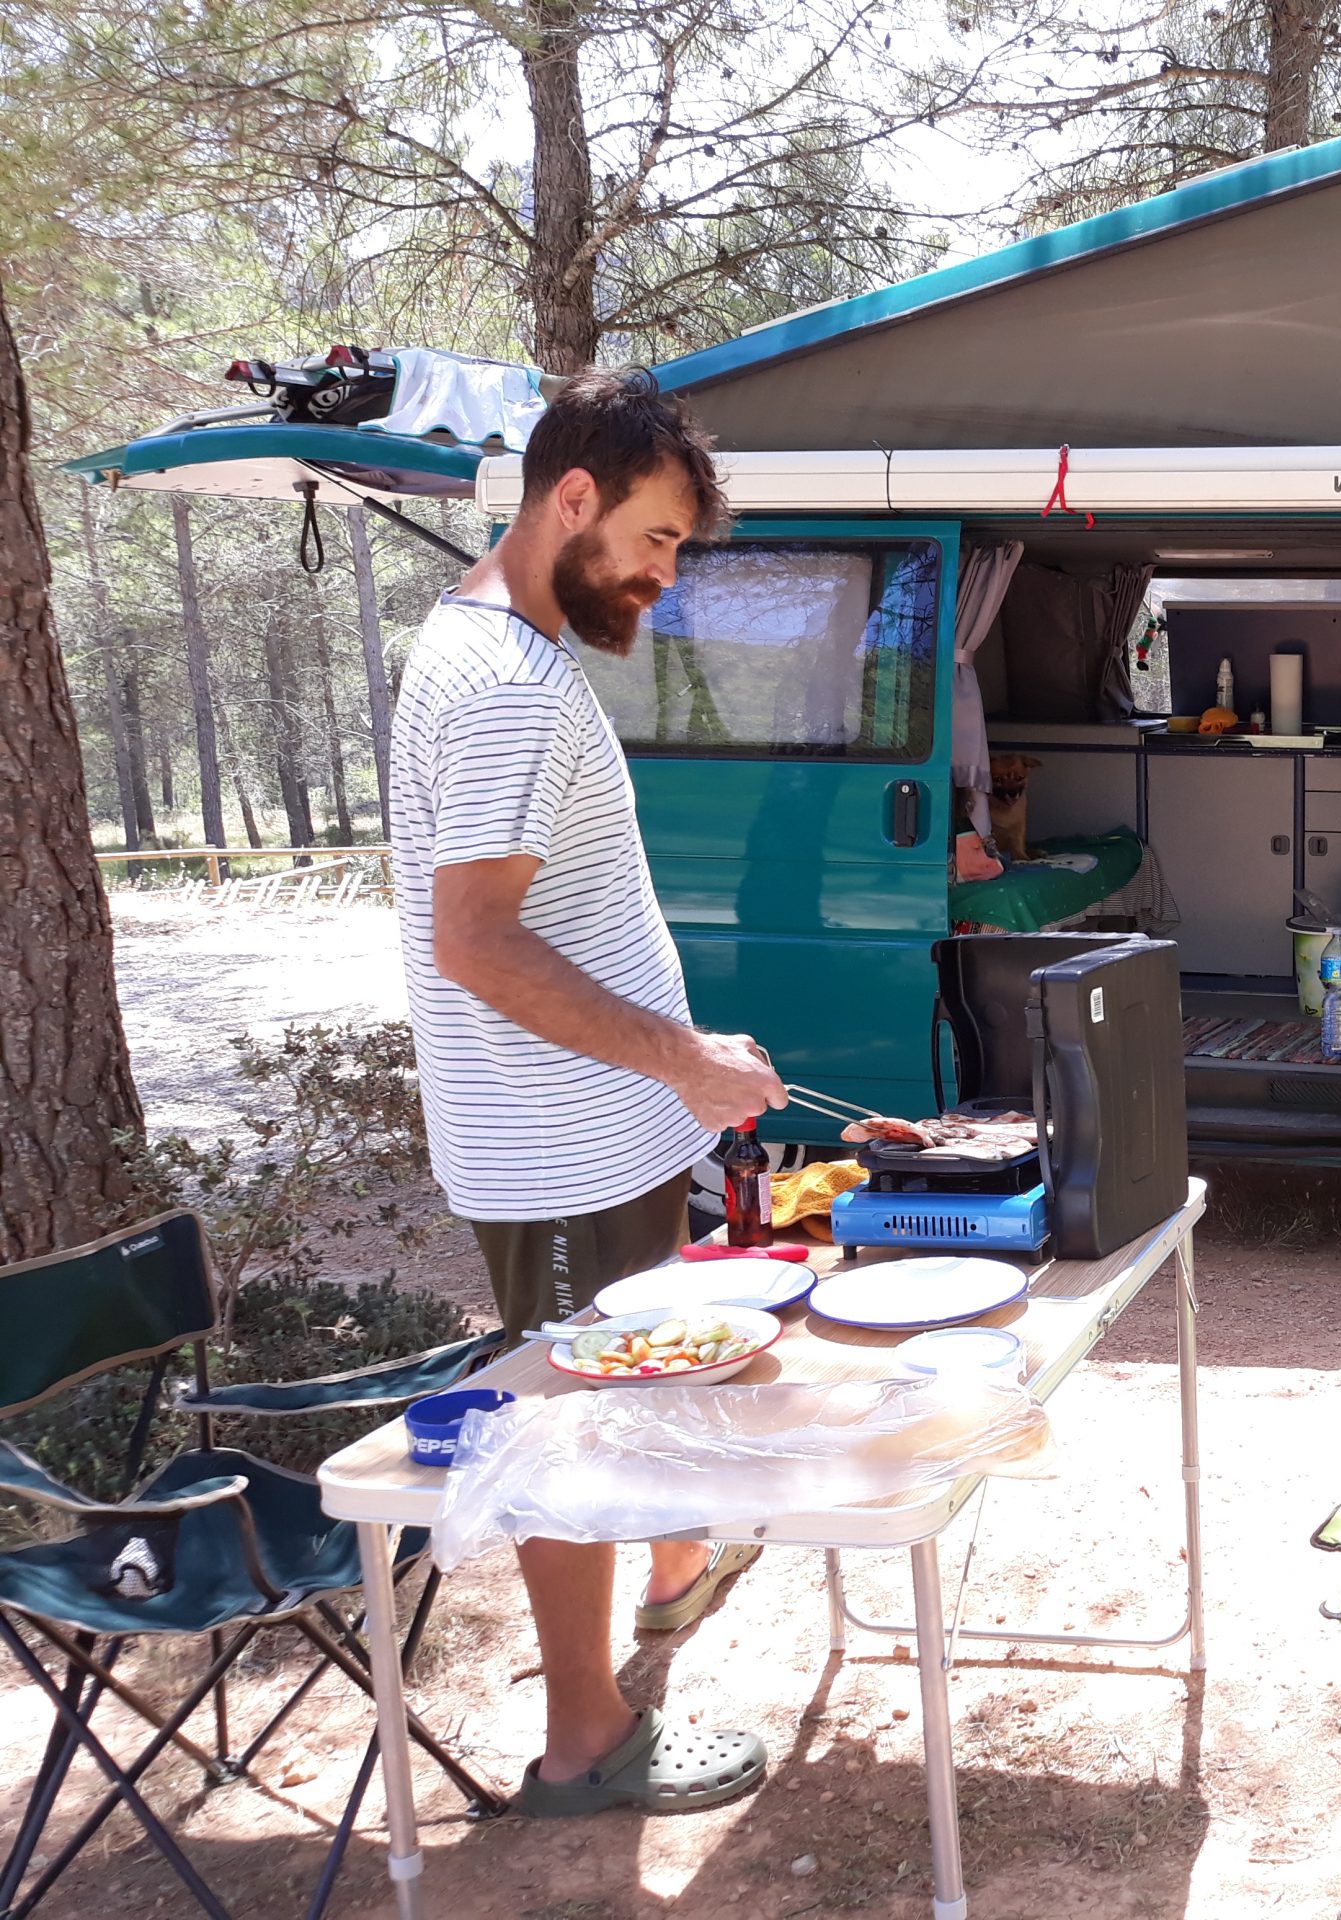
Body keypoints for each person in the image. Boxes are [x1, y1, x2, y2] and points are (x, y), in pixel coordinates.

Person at [386, 367, 785, 1817]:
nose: (666, 577)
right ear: (573, 498)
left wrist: (678, 1063)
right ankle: (582, 1743)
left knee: (638, 1389)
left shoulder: (498, 645)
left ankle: (674, 1570)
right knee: (568, 1426)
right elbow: (478, 942)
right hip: (553, 1148)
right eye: (658, 538)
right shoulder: (506, 685)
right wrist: (686, 1061)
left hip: (601, 1129)